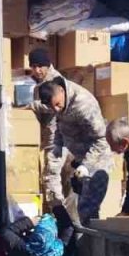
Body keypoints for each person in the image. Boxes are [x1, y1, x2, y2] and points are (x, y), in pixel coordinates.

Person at [36, 76, 113, 223]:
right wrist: (53, 163)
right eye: (52, 108)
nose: (56, 110)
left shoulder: (83, 104)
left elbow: (101, 140)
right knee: (74, 209)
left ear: (61, 91)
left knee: (87, 210)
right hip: (78, 160)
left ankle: (90, 244)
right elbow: (58, 133)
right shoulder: (58, 102)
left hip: (97, 161)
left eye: (57, 105)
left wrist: (86, 165)